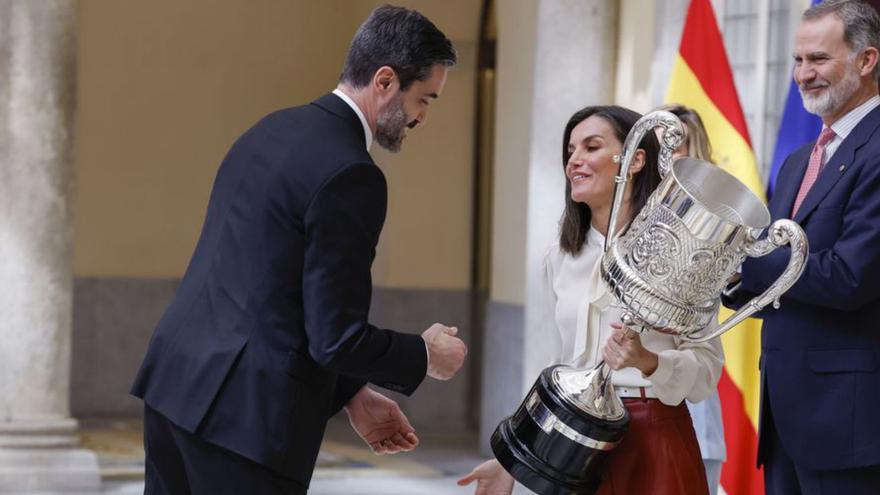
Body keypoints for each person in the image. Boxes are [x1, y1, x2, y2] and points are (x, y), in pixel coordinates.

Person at [130, 6, 468, 495]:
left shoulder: (270, 129)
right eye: (424, 99)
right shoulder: (354, 174)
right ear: (385, 80)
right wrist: (423, 354)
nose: (422, 117)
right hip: (246, 425)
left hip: (175, 391)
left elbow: (271, 287)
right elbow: (336, 337)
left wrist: (353, 393)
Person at [459, 106, 724, 495]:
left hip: (654, 438)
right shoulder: (561, 256)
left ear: (635, 160)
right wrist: (511, 462)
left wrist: (647, 361)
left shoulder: (681, 255)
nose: (574, 161)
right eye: (570, 151)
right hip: (576, 449)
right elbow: (557, 369)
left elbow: (705, 373)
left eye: (591, 147)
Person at [724, 1, 880, 493]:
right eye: (797, 60)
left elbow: (850, 276)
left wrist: (743, 259)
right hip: (784, 420)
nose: (802, 75)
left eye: (818, 59)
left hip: (847, 423)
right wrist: (723, 275)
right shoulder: (797, 160)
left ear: (867, 60)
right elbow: (776, 265)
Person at [657, 104, 727, 495]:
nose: (667, 156)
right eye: (658, 146)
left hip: (689, 374)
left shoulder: (716, 220)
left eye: (678, 145)